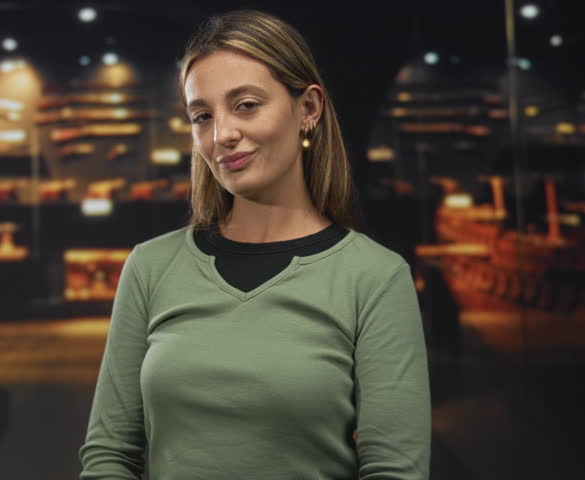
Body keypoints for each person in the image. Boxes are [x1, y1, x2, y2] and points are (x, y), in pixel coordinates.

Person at [78, 10, 431, 480]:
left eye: (245, 105)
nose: (222, 134)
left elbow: (395, 470)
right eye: (202, 115)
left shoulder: (375, 277)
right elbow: (109, 455)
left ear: (308, 109)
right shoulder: (150, 266)